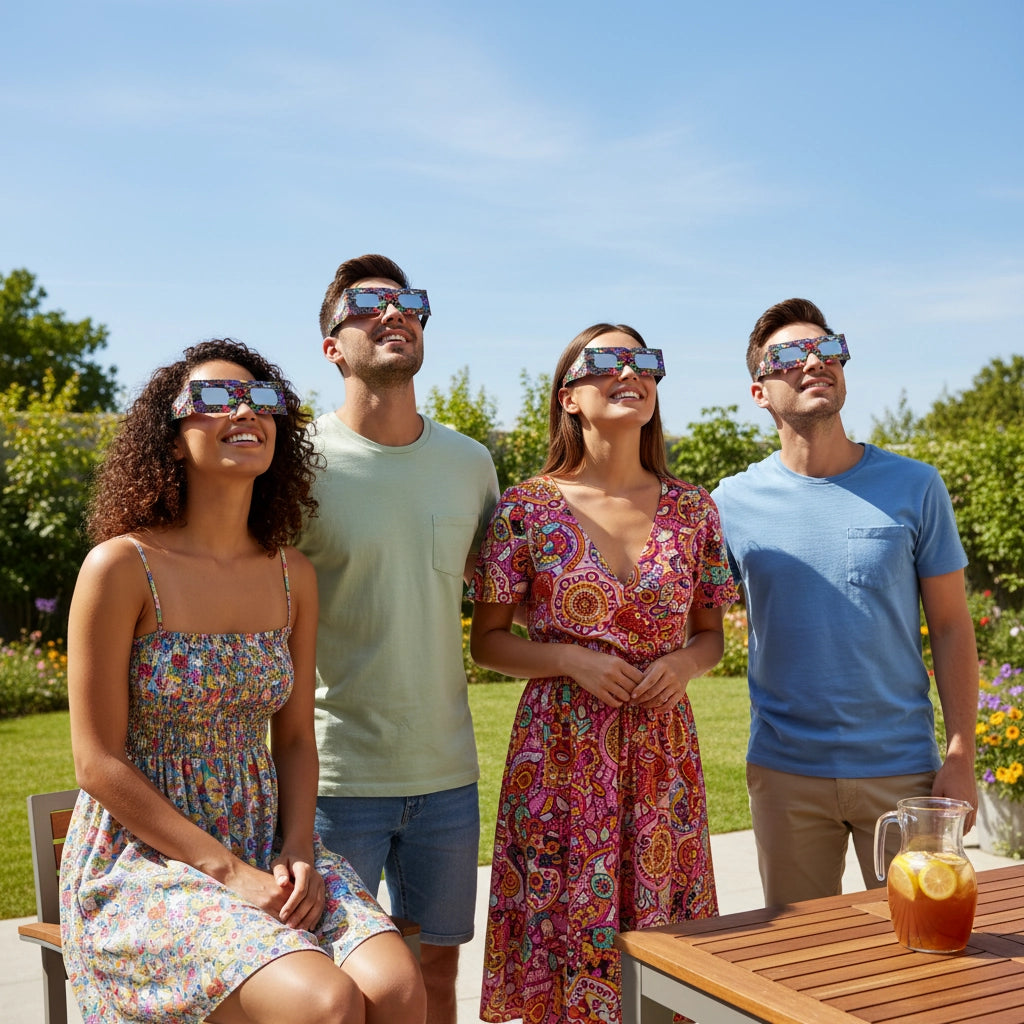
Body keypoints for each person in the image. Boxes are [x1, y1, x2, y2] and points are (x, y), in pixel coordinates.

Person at [59, 339, 425, 1024]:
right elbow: (95, 762)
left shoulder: (293, 576)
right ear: (169, 441)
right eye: (214, 398)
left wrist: (296, 850)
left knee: (398, 989)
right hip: (144, 858)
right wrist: (229, 873)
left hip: (266, 836)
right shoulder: (120, 567)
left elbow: (292, 740)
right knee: (327, 1002)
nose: (245, 411)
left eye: (262, 400)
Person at [468, 324, 738, 1023]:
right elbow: (489, 644)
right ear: (570, 398)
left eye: (644, 361)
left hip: (661, 753)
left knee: (666, 944)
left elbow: (713, 638)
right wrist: (566, 658)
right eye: (607, 363)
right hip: (558, 755)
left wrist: (682, 661)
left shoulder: (693, 508)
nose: (631, 372)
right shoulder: (526, 508)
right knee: (558, 934)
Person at [711, 298, 979, 907]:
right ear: (759, 392)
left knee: (925, 955)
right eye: (787, 355)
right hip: (784, 776)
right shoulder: (729, 504)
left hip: (905, 774)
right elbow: (684, 620)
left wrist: (961, 756)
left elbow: (952, 626)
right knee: (802, 969)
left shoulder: (915, 486)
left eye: (827, 348)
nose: (813, 362)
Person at [297, 255, 499, 1024]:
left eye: (408, 301)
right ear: (332, 347)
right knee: (334, 989)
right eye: (366, 305)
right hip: (333, 780)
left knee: (439, 979)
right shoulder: (296, 466)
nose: (393, 313)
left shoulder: (470, 465)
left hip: (446, 773)